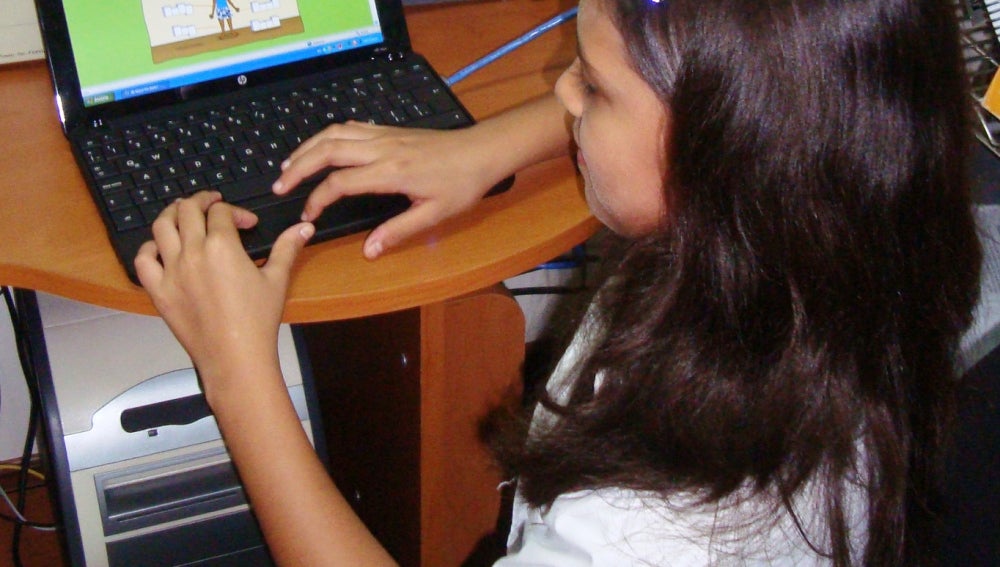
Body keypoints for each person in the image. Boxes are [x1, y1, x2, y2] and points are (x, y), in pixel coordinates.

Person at [134, 0, 982, 564]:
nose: (564, 94)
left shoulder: (650, 530)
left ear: (724, 150)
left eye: (594, 89)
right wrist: (489, 145)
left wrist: (237, 373)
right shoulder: (855, 234)